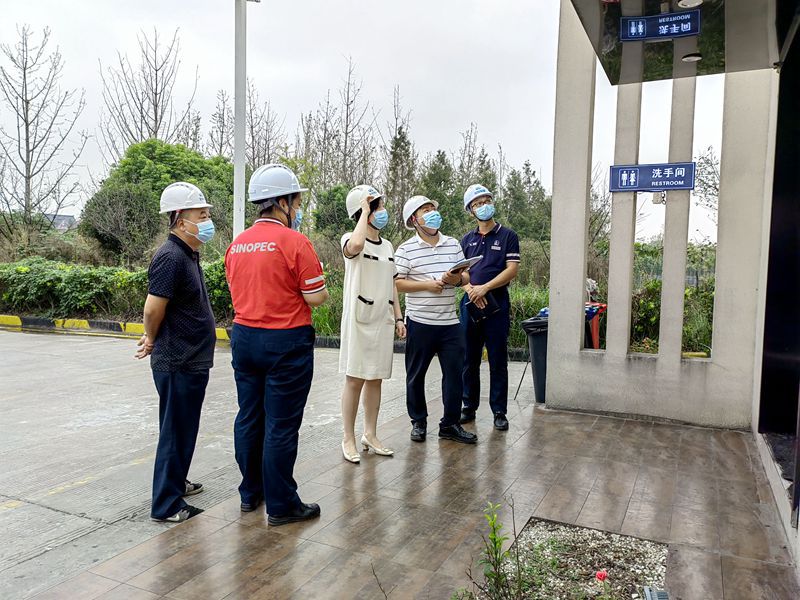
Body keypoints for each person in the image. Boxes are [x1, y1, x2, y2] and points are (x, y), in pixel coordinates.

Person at [224, 163, 329, 526]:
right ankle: (282, 504)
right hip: (285, 341)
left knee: (249, 416)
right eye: (296, 203)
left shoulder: (236, 245)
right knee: (281, 425)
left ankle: (250, 492)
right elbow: (316, 297)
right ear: (282, 202)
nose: (297, 210)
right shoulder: (295, 242)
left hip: (244, 337)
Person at [136, 182, 216, 523]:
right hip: (178, 359)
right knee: (175, 431)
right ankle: (166, 505)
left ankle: (177, 482)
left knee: (184, 428)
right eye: (202, 215)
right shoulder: (170, 257)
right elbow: (153, 308)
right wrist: (150, 338)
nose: (208, 221)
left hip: (190, 358)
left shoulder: (187, 253)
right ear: (181, 221)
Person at [394, 195, 478, 445]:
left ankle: (450, 424)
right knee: (415, 375)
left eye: (433, 208)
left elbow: (466, 276)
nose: (432, 213)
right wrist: (427, 285)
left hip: (450, 323)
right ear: (414, 220)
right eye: (425, 210)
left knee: (454, 375)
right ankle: (418, 422)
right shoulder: (405, 249)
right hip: (420, 322)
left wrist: (457, 280)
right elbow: (396, 283)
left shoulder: (452, 244)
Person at [339, 185, 407, 464]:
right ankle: (348, 437)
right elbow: (355, 247)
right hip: (359, 320)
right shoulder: (350, 238)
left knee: (375, 378)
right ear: (362, 211)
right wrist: (364, 209)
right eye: (376, 207)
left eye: (380, 206)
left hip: (382, 319)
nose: (382, 212)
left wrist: (399, 316)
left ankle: (370, 434)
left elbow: (393, 284)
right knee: (355, 378)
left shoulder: (388, 246)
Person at [458, 184, 520, 431]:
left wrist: (485, 288)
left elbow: (512, 269)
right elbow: (459, 273)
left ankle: (499, 411)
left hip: (497, 305)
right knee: (469, 358)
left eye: (486, 201)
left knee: (497, 359)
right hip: (470, 304)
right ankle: (468, 406)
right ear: (471, 210)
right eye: (478, 203)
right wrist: (471, 290)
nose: (483, 206)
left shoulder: (508, 236)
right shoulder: (466, 240)